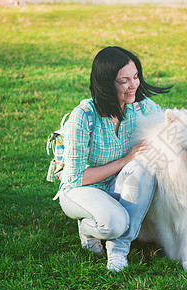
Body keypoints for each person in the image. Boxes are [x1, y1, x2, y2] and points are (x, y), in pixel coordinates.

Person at [57, 46, 172, 272]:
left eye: (136, 77)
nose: (134, 85)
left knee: (143, 166)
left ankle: (119, 250)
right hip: (80, 189)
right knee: (115, 224)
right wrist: (124, 161)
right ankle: (89, 229)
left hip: (116, 183)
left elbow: (170, 126)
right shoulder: (83, 116)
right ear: (107, 83)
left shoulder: (139, 106)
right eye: (124, 81)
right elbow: (75, 177)